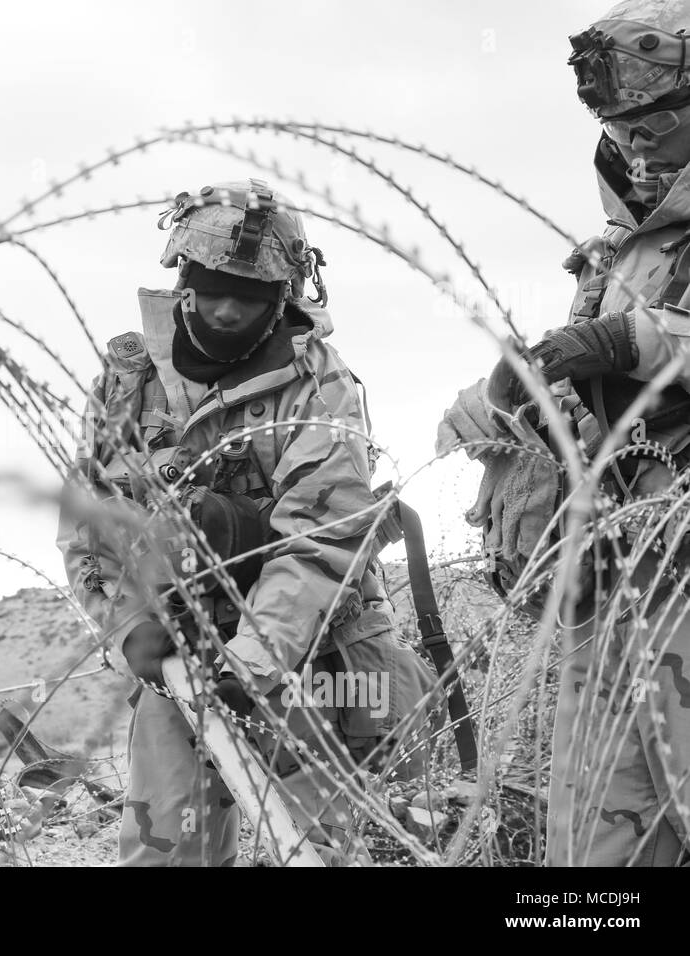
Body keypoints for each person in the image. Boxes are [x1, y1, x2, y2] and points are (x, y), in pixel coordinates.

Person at [58, 180, 437, 866]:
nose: (230, 311)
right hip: (181, 651)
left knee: (342, 847)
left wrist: (250, 666)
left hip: (318, 651)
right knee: (166, 852)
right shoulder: (128, 386)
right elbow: (92, 530)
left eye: (253, 298)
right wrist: (128, 628)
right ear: (185, 283)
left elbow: (317, 544)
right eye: (214, 289)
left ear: (284, 300)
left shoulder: (322, 390)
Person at [446, 0, 690, 866]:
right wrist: (508, 405)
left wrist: (630, 340)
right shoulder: (620, 254)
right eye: (622, 125)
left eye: (658, 119)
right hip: (623, 561)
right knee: (598, 829)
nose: (638, 142)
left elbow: (649, 348)